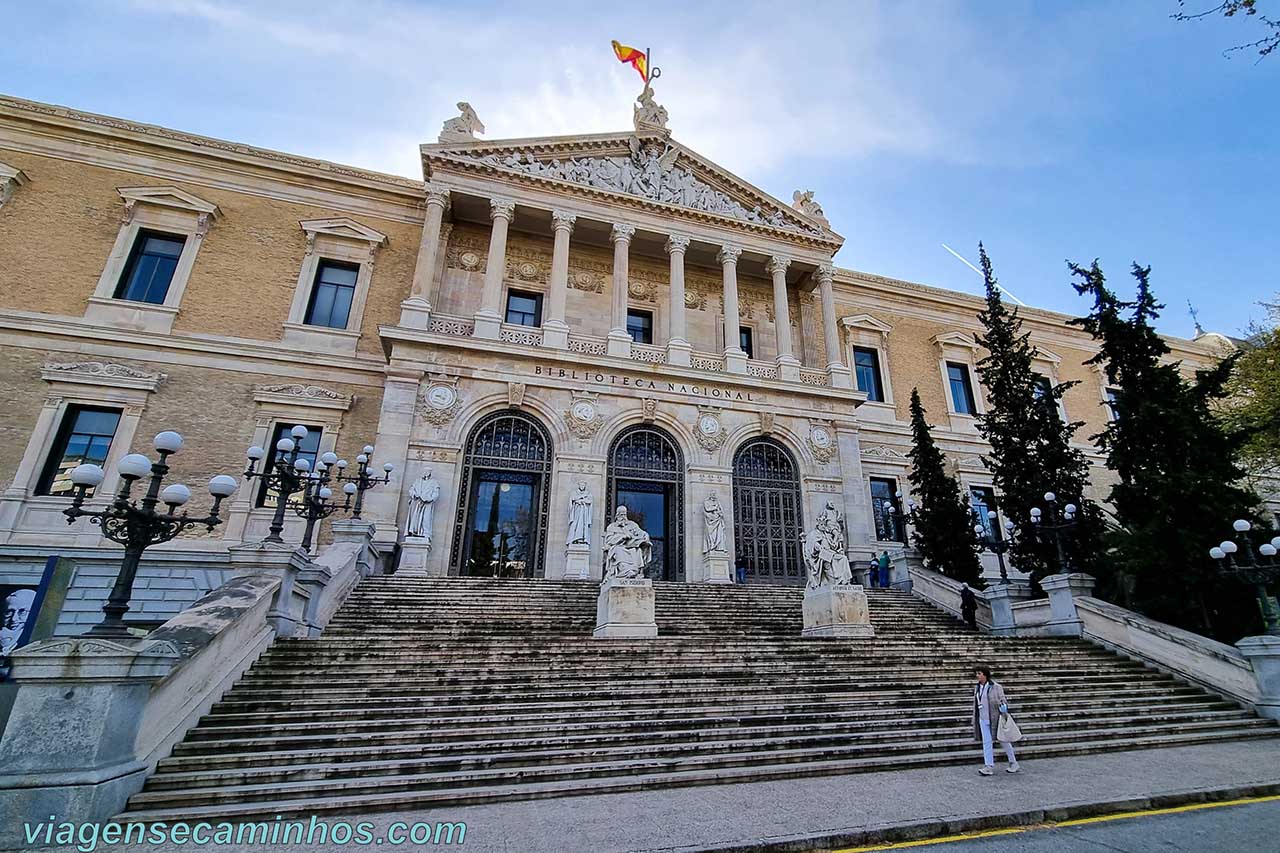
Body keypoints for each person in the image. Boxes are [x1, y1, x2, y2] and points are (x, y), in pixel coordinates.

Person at [973, 665, 1019, 775]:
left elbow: (1003, 700)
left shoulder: (996, 687)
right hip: (983, 718)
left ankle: (1013, 762)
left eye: (979, 673)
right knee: (986, 742)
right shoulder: (977, 687)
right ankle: (988, 766)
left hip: (995, 718)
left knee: (1004, 741)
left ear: (985, 674)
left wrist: (1002, 707)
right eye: (977, 673)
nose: (977, 676)